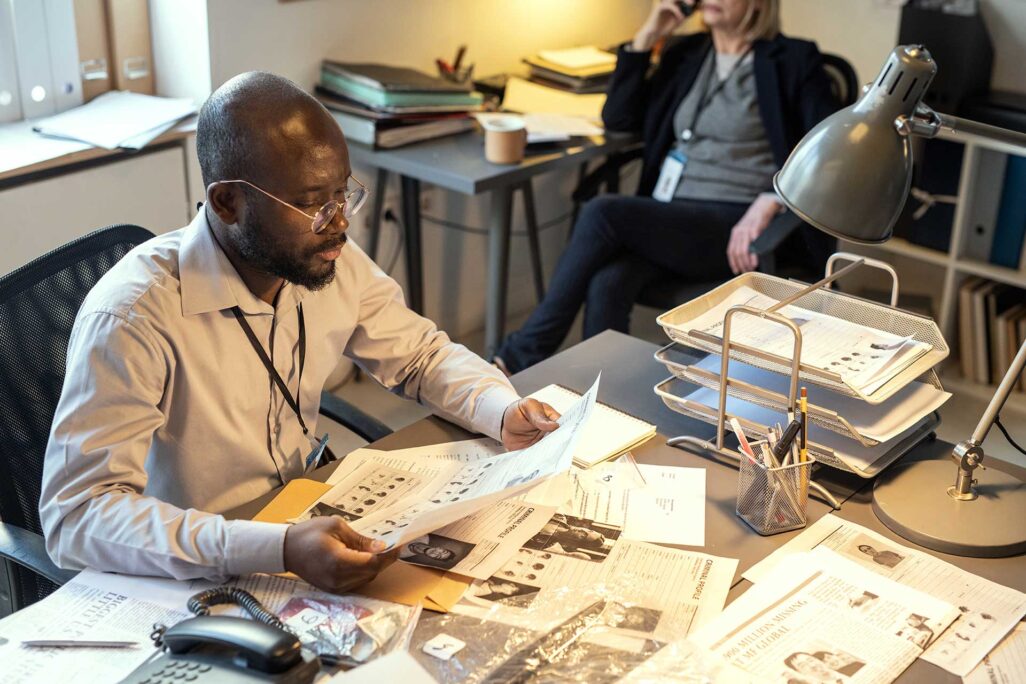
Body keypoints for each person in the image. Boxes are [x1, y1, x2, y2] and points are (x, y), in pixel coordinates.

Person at [39, 72, 562, 593]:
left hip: (306, 515)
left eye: (343, 195)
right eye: (313, 203)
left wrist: (500, 409)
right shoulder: (133, 316)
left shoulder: (324, 257)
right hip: (189, 567)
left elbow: (419, 355)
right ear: (227, 203)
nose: (339, 224)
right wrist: (278, 548)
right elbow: (77, 517)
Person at [494, 0, 839, 374]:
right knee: (608, 282)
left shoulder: (793, 59)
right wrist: (648, 35)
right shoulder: (687, 53)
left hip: (738, 224)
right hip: (672, 218)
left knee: (603, 211)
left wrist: (774, 198)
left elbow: (829, 150)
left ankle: (519, 356)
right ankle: (604, 396)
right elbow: (620, 119)